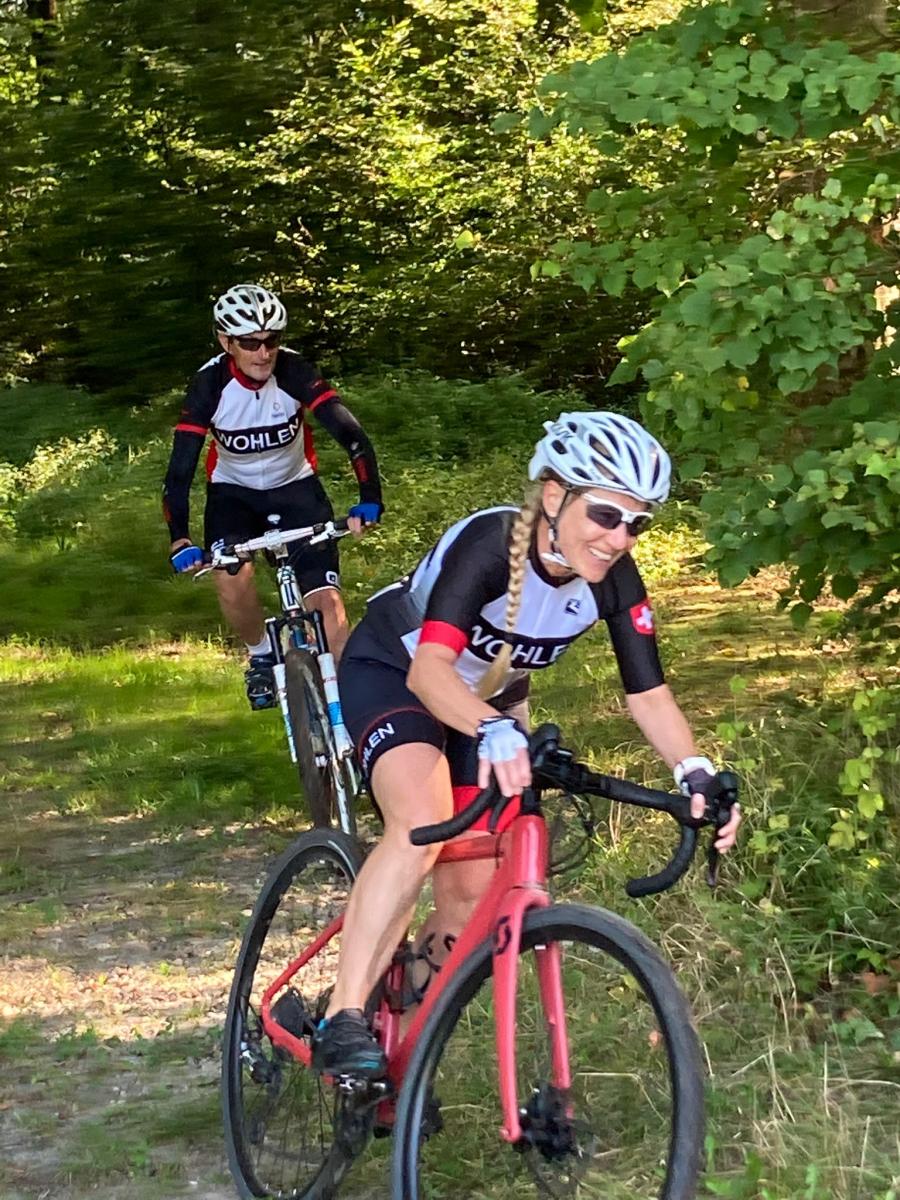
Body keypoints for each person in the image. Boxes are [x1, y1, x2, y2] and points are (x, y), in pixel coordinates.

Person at [310, 410, 742, 1077]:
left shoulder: (615, 578)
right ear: (555, 496)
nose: (619, 538)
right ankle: (343, 1018)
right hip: (398, 670)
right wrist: (492, 728)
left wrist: (695, 771)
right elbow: (430, 672)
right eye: (606, 515)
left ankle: (393, 1060)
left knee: (471, 896)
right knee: (420, 823)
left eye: (637, 523)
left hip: (487, 705)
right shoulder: (494, 545)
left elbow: (649, 693)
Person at [162, 283, 383, 707]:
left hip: (296, 489)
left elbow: (351, 435)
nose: (264, 353)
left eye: (272, 340)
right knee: (231, 579)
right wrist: (180, 538)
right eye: (250, 343)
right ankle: (261, 654)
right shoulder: (209, 384)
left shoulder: (294, 371)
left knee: (330, 612)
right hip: (234, 494)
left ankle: (354, 715)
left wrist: (369, 496)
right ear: (226, 342)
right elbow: (179, 471)